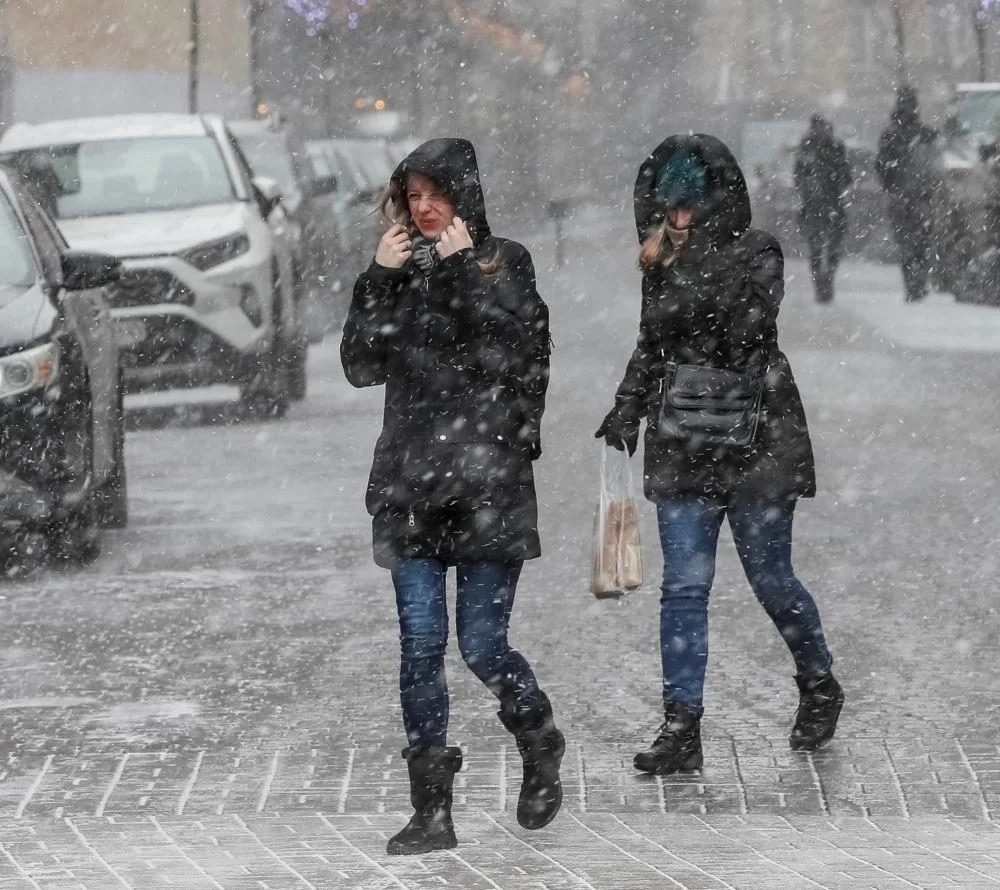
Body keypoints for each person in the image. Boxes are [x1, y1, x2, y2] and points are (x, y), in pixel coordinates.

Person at [595, 134, 844, 776]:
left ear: (713, 203)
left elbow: (746, 330)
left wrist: (694, 259)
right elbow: (653, 343)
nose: (678, 221)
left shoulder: (758, 250)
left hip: (758, 436)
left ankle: (818, 681)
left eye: (689, 208)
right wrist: (626, 405)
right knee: (684, 587)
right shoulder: (659, 261)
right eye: (669, 209)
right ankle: (682, 726)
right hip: (682, 437)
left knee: (771, 580)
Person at [341, 138, 562, 854]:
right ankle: (432, 811)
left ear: (464, 196)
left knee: (482, 645)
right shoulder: (396, 273)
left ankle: (538, 736)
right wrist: (377, 280)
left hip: (487, 486)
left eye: (436, 194)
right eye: (413, 196)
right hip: (410, 486)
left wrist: (465, 271)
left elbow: (513, 351)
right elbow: (359, 365)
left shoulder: (505, 263)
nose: (425, 207)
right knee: (420, 645)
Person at [876, 86, 941, 302]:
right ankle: (919, 283)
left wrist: (890, 187)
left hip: (900, 196)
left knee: (906, 243)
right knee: (922, 241)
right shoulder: (923, 132)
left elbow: (881, 165)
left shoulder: (891, 133)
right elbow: (935, 164)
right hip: (920, 195)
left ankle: (912, 285)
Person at [794, 114, 852, 303]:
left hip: (812, 205)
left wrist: (806, 195)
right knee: (833, 246)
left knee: (815, 248)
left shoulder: (806, 147)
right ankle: (828, 279)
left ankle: (820, 283)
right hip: (834, 203)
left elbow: (798, 177)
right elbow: (846, 176)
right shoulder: (836, 146)